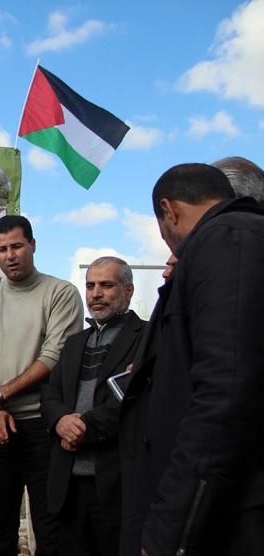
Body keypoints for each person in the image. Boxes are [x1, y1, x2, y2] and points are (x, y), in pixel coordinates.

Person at [119, 163, 264, 556]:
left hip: (225, 517)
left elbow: (225, 395)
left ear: (168, 211)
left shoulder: (229, 239)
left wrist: (170, 527)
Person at [0, 215, 83, 556]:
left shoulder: (60, 293)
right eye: (1, 249)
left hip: (44, 429)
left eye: (17, 246)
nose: (10, 255)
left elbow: (52, 358)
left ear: (32, 244)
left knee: (52, 533)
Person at [40, 257, 145, 556]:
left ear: (128, 290)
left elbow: (134, 399)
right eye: (90, 286)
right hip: (69, 486)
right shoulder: (75, 342)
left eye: (106, 285)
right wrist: (61, 421)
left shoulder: (148, 338)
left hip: (115, 484)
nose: (96, 293)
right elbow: (50, 393)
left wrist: (84, 428)